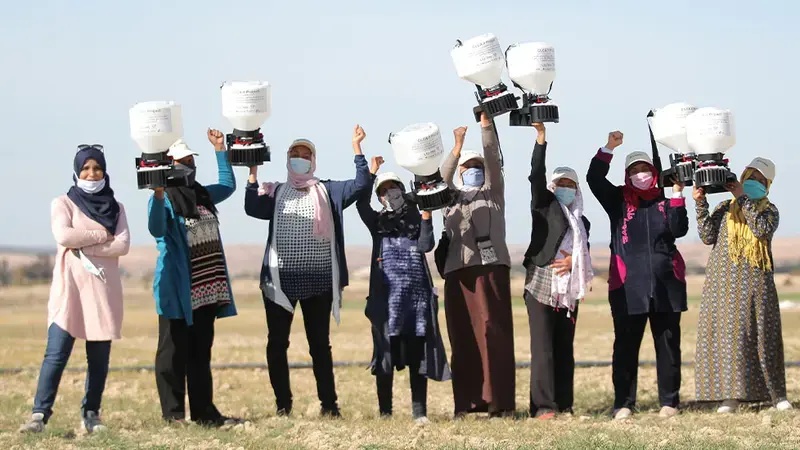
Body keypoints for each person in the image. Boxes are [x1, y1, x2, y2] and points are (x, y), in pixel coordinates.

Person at [244, 125, 372, 418]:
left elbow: (361, 185)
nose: (299, 158)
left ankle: (329, 405)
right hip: (279, 281)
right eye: (294, 154)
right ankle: (282, 405)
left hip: (319, 281)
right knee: (277, 343)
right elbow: (252, 207)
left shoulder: (329, 190)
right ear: (287, 159)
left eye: (305, 154)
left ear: (313, 160)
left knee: (319, 346)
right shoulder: (275, 191)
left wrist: (357, 148)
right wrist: (252, 175)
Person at [19, 145, 130, 434]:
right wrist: (99, 236)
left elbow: (123, 245)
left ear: (105, 171)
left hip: (103, 293)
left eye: (97, 168)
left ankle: (91, 414)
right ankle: (39, 415)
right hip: (69, 292)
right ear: (76, 171)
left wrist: (83, 243)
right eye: (86, 168)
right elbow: (63, 235)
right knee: (55, 354)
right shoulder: (63, 204)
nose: (91, 174)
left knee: (98, 359)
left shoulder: (116, 208)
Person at [586, 131, 689, 420]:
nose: (640, 174)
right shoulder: (617, 199)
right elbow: (594, 179)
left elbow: (679, 229)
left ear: (654, 172)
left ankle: (669, 402)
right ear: (627, 175)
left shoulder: (665, 201)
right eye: (634, 171)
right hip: (627, 286)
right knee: (626, 346)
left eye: (645, 169)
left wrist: (679, 194)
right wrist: (608, 147)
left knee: (668, 344)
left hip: (667, 285)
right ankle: (623, 404)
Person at [148, 130, 239, 427]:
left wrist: (219, 149)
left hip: (207, 288)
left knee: (201, 353)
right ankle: (173, 416)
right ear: (168, 165)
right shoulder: (164, 199)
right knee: (172, 353)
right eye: (181, 160)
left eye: (190, 159)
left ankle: (205, 413)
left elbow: (228, 184)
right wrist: (159, 193)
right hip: (177, 290)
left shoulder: (201, 193)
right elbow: (157, 229)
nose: (187, 164)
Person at [356, 156, 451, 424]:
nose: (390, 194)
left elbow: (425, 246)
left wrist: (426, 214)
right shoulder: (377, 223)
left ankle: (419, 412)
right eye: (384, 191)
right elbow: (360, 203)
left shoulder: (416, 216)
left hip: (416, 301)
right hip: (386, 303)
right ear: (380, 197)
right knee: (385, 356)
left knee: (417, 356)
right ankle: (385, 413)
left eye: (393, 188)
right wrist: (371, 173)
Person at [693, 157, 792, 413]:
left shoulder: (769, 211)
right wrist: (700, 203)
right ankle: (730, 398)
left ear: (768, 185)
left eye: (761, 180)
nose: (754, 183)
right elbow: (707, 236)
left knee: (762, 338)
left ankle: (776, 396)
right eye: (751, 177)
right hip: (724, 284)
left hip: (756, 284)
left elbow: (760, 230)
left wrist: (742, 198)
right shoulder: (726, 208)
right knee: (730, 340)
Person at [440, 113, 515, 418]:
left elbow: (494, 160)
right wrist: (456, 147)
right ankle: (467, 404)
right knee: (463, 336)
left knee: (493, 333)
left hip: (491, 270)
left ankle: (500, 403)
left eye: (476, 167)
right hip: (458, 273)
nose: (472, 171)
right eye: (466, 168)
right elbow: (437, 181)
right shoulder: (449, 197)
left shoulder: (493, 193)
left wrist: (486, 127)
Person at [523, 122, 593, 420]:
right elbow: (535, 176)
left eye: (570, 185)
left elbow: (584, 256)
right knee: (543, 349)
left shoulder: (583, 223)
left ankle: (564, 404)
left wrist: (574, 264)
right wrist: (541, 140)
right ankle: (543, 407)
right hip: (541, 285)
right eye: (560, 184)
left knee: (565, 348)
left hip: (569, 291)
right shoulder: (543, 206)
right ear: (553, 188)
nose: (565, 189)